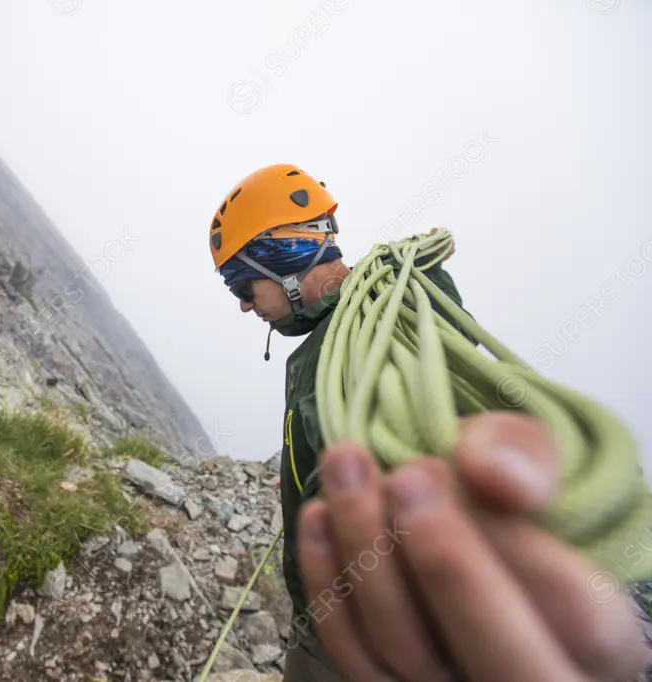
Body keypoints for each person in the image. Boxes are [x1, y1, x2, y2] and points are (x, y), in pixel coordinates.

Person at [209, 163, 650, 682]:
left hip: (356, 634)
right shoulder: (343, 336)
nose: (241, 304)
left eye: (240, 282)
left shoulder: (365, 337)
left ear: (286, 253)